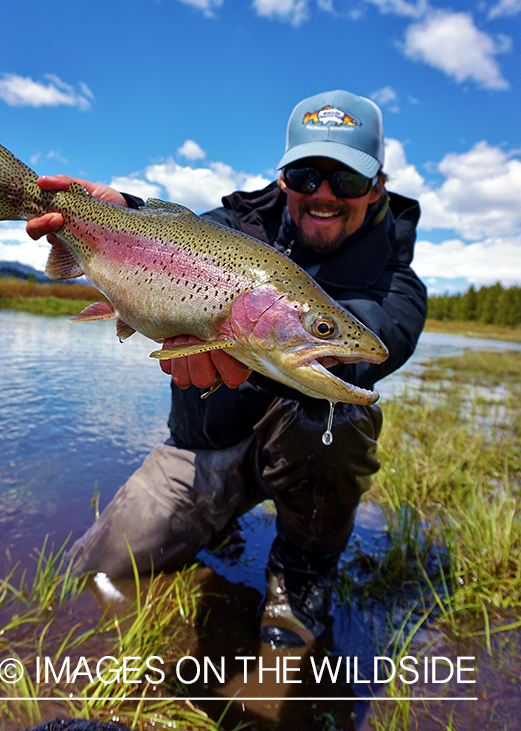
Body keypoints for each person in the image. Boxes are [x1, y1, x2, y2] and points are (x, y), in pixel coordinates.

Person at [26, 89, 427, 647]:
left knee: (339, 417)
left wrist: (252, 345)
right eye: (308, 176)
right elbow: (180, 232)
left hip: (304, 454)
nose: (326, 195)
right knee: (96, 571)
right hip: (200, 448)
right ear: (283, 178)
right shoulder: (237, 226)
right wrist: (122, 217)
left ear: (378, 186)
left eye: (349, 181)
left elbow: (377, 341)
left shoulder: (396, 281)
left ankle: (301, 573)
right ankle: (219, 525)